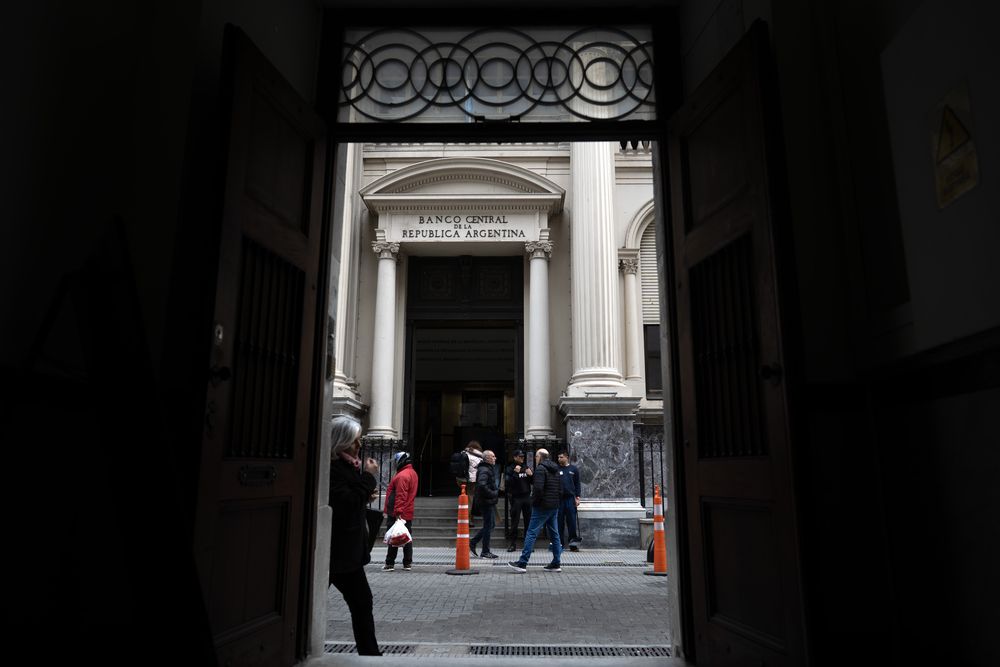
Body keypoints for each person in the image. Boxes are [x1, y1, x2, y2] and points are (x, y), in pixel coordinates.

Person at [327, 415, 382, 656]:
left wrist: (364, 491)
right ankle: (369, 654)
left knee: (362, 602)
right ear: (341, 441)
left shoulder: (348, 466)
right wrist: (369, 479)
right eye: (355, 441)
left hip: (347, 552)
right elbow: (345, 501)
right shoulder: (333, 469)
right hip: (339, 551)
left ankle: (370, 653)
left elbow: (349, 498)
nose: (359, 446)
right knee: (361, 602)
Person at [507, 448, 563, 573]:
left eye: (536, 457)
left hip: (542, 506)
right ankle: (556, 562)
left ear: (539, 457)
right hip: (554, 506)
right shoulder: (556, 469)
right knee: (555, 534)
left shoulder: (541, 469)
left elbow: (538, 489)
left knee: (531, 532)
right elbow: (561, 488)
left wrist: (534, 502)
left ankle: (522, 563)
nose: (535, 459)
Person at [383, 450, 418, 571]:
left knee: (394, 537)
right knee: (406, 537)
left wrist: (397, 512)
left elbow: (400, 495)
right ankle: (407, 563)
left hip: (398, 512)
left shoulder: (402, 475)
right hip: (406, 511)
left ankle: (389, 563)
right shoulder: (411, 473)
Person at [469, 450, 500, 558]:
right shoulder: (484, 470)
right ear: (487, 458)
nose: (495, 458)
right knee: (488, 525)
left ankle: (473, 543)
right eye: (493, 456)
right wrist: (493, 493)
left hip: (486, 501)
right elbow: (482, 485)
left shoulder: (486, 468)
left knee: (490, 524)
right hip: (485, 501)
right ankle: (485, 551)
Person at [504, 449, 533, 552]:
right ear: (515, 457)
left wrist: (531, 475)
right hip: (516, 497)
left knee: (528, 521)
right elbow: (508, 484)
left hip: (526, 497)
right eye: (520, 457)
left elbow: (532, 482)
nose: (522, 458)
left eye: (523, 457)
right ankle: (512, 544)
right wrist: (515, 473)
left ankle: (528, 544)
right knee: (514, 522)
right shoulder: (510, 468)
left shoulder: (526, 467)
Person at [557, 451, 582, 551]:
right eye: (558, 457)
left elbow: (577, 484)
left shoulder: (573, 469)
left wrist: (577, 497)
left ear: (566, 457)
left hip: (570, 499)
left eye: (561, 457)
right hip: (559, 500)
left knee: (571, 522)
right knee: (559, 522)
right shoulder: (556, 469)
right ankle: (560, 544)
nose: (559, 459)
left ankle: (573, 544)